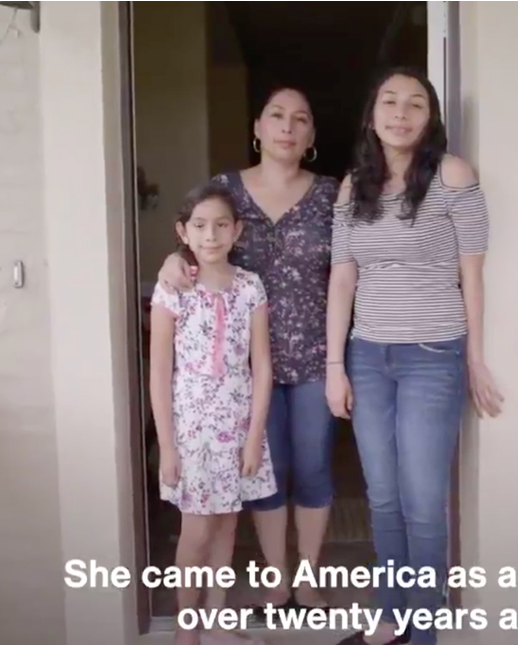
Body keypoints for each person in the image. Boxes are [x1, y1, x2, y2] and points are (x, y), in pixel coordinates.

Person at [325, 67, 504, 645]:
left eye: (416, 104)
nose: (401, 114)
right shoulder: (353, 187)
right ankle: (390, 616)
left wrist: (475, 358)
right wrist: (335, 366)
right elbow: (343, 279)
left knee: (424, 502)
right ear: (372, 114)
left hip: (433, 355)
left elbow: (472, 276)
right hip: (368, 356)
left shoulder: (454, 176)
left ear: (430, 119)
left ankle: (423, 633)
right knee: (382, 495)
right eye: (390, 102)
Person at [157, 85, 341, 613]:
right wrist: (173, 261)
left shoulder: (332, 193)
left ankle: (306, 576)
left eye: (301, 119)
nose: (288, 126)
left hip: (312, 355)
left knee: (312, 468)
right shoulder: (227, 189)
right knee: (263, 468)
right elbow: (198, 234)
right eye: (277, 116)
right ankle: (276, 578)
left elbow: (351, 267)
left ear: (310, 135)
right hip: (235, 372)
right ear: (257, 127)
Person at [149, 184, 276, 645]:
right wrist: (167, 447)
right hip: (191, 430)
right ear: (183, 231)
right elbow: (160, 374)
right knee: (196, 527)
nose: (211, 235)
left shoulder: (249, 288)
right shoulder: (172, 290)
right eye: (200, 225)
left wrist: (253, 434)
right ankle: (188, 626)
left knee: (226, 522)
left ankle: (218, 615)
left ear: (237, 231)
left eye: (222, 225)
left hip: (238, 425)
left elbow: (261, 366)